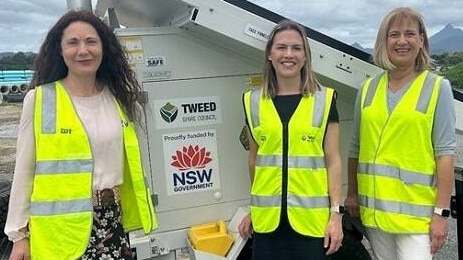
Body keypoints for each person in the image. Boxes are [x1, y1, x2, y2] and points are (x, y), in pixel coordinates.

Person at [4, 10, 158, 260]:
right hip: (59, 234)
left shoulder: (119, 100)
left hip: (112, 223)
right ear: (60, 50)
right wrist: (19, 236)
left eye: (91, 41)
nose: (83, 50)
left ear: (104, 48)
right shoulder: (41, 99)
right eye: (73, 42)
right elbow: (24, 171)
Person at [344, 7, 456, 260]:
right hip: (375, 211)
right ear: (384, 42)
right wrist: (352, 193)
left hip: (415, 218)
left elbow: (446, 155)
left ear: (421, 40)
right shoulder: (368, 89)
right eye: (394, 35)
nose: (401, 41)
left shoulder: (438, 88)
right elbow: (355, 147)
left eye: (409, 34)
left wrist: (441, 213)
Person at [238, 20, 343, 260]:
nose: (289, 54)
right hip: (268, 224)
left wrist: (335, 215)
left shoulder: (325, 100)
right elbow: (254, 160)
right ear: (269, 55)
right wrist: (254, 210)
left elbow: (333, 161)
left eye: (296, 48)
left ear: (306, 56)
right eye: (281, 47)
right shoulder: (252, 102)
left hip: (310, 224)